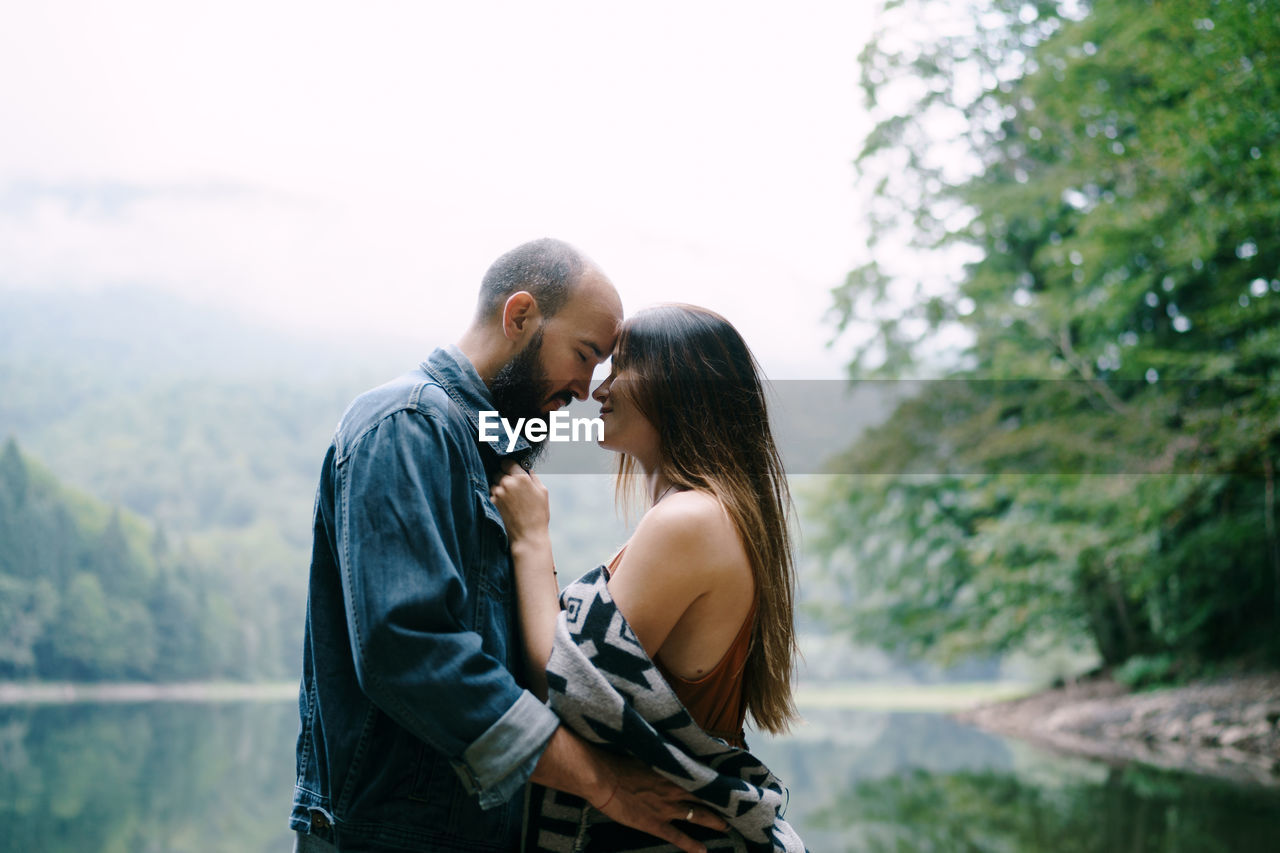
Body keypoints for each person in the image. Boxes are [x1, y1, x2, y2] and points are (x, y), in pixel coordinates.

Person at [290, 241, 728, 853]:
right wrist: (602, 783)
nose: (586, 388)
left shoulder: (485, 452)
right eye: (584, 354)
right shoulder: (407, 423)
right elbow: (407, 648)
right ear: (520, 316)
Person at [491, 304, 803, 851]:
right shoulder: (710, 514)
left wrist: (531, 539)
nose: (598, 390)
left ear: (679, 383)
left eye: (623, 366)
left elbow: (563, 686)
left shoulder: (692, 520)